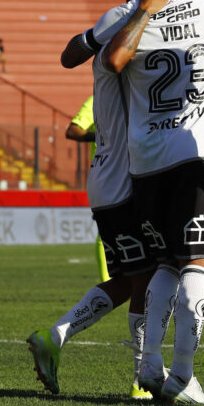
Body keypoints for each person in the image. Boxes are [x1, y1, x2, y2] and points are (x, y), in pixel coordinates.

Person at [99, 0, 204, 404]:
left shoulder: (121, 18)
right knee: (197, 261)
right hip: (198, 152)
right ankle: (182, 374)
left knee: (164, 263)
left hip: (148, 160)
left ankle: (150, 366)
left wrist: (144, 12)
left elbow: (113, 57)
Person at [27, 0, 169, 400]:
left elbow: (72, 53)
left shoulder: (107, 66)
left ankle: (53, 336)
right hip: (126, 183)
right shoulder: (131, 65)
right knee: (153, 275)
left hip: (107, 181)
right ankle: (145, 374)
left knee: (128, 280)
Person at [65, 96, 111, 283]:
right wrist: (103, 137)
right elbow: (73, 131)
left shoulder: (134, 95)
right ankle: (108, 281)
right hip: (106, 175)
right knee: (107, 230)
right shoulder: (98, 100)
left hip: (133, 172)